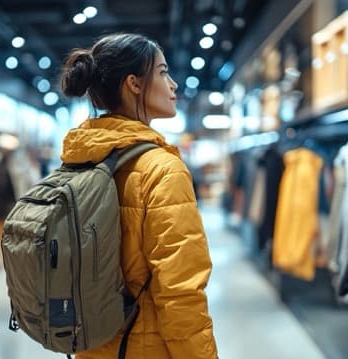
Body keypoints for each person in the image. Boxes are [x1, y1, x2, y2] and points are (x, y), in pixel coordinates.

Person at [60, 33, 218, 359]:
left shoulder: (78, 160)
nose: (173, 84)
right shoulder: (162, 170)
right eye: (162, 72)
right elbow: (181, 292)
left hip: (91, 344)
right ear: (134, 83)